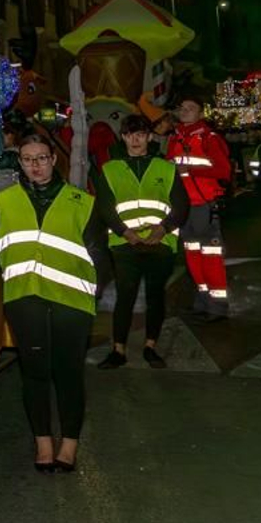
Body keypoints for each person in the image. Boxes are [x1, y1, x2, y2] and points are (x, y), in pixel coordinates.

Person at [0, 133, 102, 472]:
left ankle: (69, 442)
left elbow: (99, 255)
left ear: (54, 160)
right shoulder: (3, 201)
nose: (35, 165)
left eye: (41, 158)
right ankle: (42, 441)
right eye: (27, 159)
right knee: (35, 372)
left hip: (72, 302)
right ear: (19, 162)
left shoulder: (82, 202)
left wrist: (89, 292)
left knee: (68, 373)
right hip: (25, 298)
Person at [93, 114, 189, 370]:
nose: (135, 140)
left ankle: (150, 346)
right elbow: (105, 207)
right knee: (125, 295)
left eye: (140, 135)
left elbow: (181, 205)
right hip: (125, 245)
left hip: (160, 244)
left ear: (149, 137)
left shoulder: (166, 168)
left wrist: (163, 229)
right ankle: (118, 350)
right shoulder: (109, 169)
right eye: (129, 135)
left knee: (155, 296)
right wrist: (125, 232)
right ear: (123, 137)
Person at [165, 95, 233, 320]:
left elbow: (223, 171)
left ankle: (217, 308)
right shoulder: (175, 138)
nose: (184, 111)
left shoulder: (209, 138)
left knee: (210, 257)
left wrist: (189, 171)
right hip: (183, 207)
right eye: (182, 107)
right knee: (193, 257)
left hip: (204, 205)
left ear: (201, 113)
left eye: (190, 108)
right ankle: (202, 302)